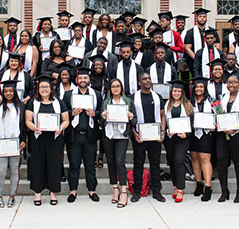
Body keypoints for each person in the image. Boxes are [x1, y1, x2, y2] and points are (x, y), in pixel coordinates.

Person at [25, 74, 70, 206]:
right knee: (37, 165)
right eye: (42, 87)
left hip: (54, 139)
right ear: (38, 89)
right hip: (38, 138)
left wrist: (60, 128)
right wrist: (35, 129)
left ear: (51, 88)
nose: (44, 89)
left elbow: (66, 120)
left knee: (54, 165)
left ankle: (53, 192)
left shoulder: (59, 103)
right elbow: (28, 120)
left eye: (47, 87)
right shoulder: (32, 103)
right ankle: (37, 193)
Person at [63, 67, 103, 203]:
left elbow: (102, 112)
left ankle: (92, 190)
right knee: (74, 165)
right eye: (80, 78)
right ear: (77, 79)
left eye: (85, 78)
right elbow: (63, 113)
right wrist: (71, 113)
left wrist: (95, 114)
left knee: (90, 165)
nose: (83, 80)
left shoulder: (96, 94)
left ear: (89, 80)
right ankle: (72, 191)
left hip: (90, 134)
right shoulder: (68, 94)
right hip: (74, 135)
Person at [216, 75, 239, 203]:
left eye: (234, 83)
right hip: (223, 135)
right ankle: (224, 191)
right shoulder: (223, 98)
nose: (231, 85)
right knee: (221, 161)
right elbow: (220, 115)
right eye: (229, 83)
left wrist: (237, 129)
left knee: (238, 162)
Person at [99, 78, 136, 208]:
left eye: (118, 86)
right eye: (113, 86)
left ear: (121, 88)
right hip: (108, 135)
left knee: (120, 161)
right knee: (110, 161)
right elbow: (100, 123)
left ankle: (124, 191)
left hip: (122, 135)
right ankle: (115, 189)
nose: (115, 88)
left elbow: (134, 121)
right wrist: (103, 117)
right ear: (110, 88)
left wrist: (131, 117)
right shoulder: (105, 103)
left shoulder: (128, 102)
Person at [0, 80, 27, 208]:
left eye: (11, 91)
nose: (8, 93)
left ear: (14, 92)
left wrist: (23, 141)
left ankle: (12, 196)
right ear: (2, 92)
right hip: (1, 143)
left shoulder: (20, 106)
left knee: (15, 171)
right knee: (1, 171)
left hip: (15, 143)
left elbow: (23, 126)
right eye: (6, 91)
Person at [130, 72, 166, 203]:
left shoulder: (158, 97)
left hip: (155, 136)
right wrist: (134, 133)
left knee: (155, 163)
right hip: (140, 136)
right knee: (138, 163)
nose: (147, 80)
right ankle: (137, 191)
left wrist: (162, 131)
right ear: (139, 82)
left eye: (149, 78)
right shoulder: (133, 97)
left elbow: (162, 115)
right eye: (144, 79)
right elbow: (131, 117)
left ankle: (157, 191)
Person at [163, 80, 192, 202]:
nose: (176, 93)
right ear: (171, 92)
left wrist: (186, 133)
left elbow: (192, 123)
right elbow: (165, 119)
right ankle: (175, 186)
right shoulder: (167, 104)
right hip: (170, 138)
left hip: (183, 138)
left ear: (182, 92)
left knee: (179, 161)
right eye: (174, 91)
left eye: (179, 91)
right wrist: (165, 130)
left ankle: (180, 188)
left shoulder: (188, 105)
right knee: (172, 161)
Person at [190, 76, 215, 201]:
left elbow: (219, 115)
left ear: (205, 88)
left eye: (201, 87)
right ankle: (198, 183)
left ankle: (208, 186)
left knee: (205, 158)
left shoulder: (212, 101)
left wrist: (215, 125)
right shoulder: (190, 102)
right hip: (194, 133)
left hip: (206, 134)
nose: (199, 89)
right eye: (197, 87)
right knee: (194, 157)